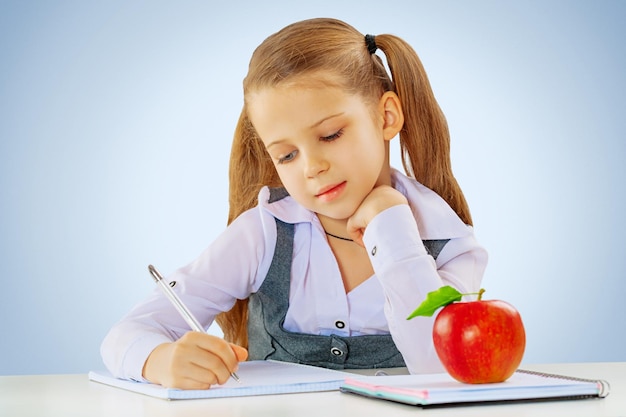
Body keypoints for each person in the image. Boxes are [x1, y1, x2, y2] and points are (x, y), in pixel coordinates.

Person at [101, 17, 488, 390]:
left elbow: (440, 367)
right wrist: (159, 361)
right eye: (286, 156)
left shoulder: (450, 246)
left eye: (331, 134)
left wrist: (390, 225)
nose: (312, 168)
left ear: (386, 116)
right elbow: (124, 336)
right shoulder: (264, 233)